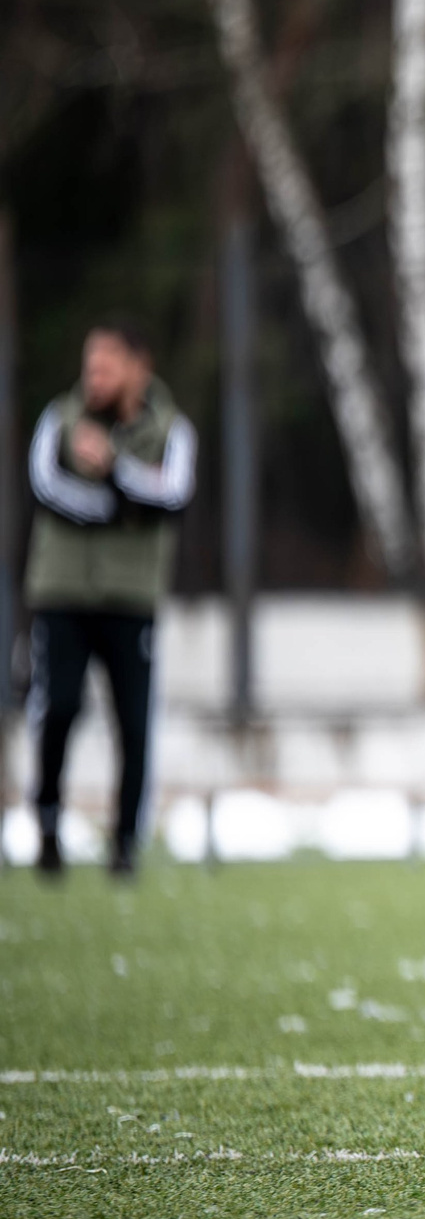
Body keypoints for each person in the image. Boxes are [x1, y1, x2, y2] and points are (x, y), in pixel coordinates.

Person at [25, 320, 195, 878]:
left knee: (134, 722)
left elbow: (172, 497)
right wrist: (122, 507)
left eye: (106, 366)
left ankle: (125, 843)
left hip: (131, 597)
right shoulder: (59, 419)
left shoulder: (172, 432)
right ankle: (47, 824)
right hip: (62, 592)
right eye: (89, 364)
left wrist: (114, 470)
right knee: (60, 709)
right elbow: (47, 489)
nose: (93, 376)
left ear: (137, 368)